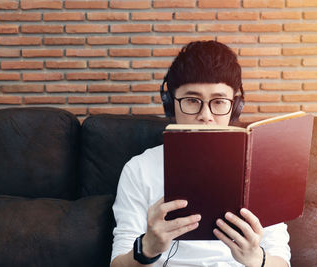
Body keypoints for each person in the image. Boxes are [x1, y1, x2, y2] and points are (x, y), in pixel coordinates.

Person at [110, 40, 290, 267]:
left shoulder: (261, 169)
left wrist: (257, 259)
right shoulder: (139, 169)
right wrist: (147, 249)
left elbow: (282, 261)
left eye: (219, 101)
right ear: (169, 103)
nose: (206, 115)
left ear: (235, 106)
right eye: (192, 100)